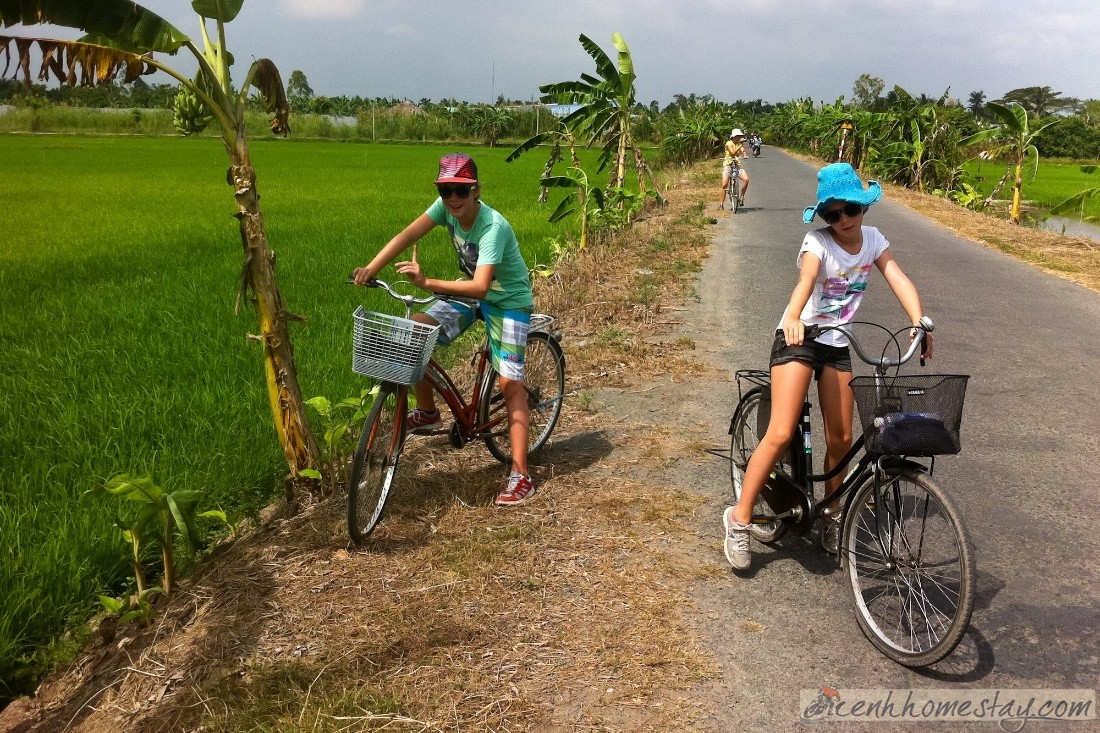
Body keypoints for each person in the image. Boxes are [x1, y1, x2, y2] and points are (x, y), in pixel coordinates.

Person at [723, 162, 933, 571]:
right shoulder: (816, 243)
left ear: (862, 207)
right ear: (823, 217)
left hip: (838, 345)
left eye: (849, 210)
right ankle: (740, 518)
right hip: (798, 338)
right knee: (782, 431)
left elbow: (899, 278)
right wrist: (795, 316)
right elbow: (806, 281)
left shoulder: (873, 240)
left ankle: (833, 517)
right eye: (832, 214)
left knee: (841, 440)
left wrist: (918, 321)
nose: (842, 221)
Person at [352, 152, 537, 506]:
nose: (452, 198)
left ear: (476, 191)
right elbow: (407, 234)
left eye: (461, 191)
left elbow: (482, 288)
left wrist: (426, 282)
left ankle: (520, 474)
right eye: (446, 190)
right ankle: (429, 413)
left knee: (510, 383)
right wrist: (371, 268)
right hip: (469, 290)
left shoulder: (492, 227)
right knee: (414, 332)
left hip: (508, 300)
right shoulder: (444, 209)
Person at [717, 128, 750, 209]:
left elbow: (743, 150)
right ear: (734, 136)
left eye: (740, 136)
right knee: (724, 184)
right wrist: (740, 146)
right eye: (738, 136)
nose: (739, 137)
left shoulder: (739, 144)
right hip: (728, 164)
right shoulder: (729, 143)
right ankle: (721, 204)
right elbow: (733, 152)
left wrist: (745, 154)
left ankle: (741, 197)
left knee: (746, 180)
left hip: (736, 164)